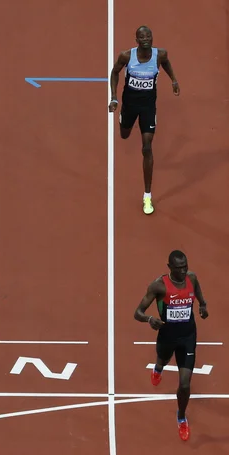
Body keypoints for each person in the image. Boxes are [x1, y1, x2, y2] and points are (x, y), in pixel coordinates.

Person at [134, 250, 209, 441]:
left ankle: (182, 417)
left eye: (185, 266)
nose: (184, 271)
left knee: (184, 384)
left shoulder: (192, 278)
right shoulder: (159, 286)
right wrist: (150, 319)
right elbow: (138, 312)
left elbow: (198, 290)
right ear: (170, 268)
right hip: (167, 336)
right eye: (179, 268)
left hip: (188, 336)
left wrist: (202, 304)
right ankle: (158, 369)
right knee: (162, 360)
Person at [108, 25, 180, 215]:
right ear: (136, 40)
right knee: (124, 135)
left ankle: (147, 195)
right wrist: (114, 98)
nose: (146, 38)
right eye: (142, 36)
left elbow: (166, 63)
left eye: (149, 35)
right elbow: (114, 73)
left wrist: (173, 79)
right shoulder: (126, 56)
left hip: (148, 107)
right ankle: (124, 122)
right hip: (129, 106)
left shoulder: (160, 55)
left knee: (147, 146)